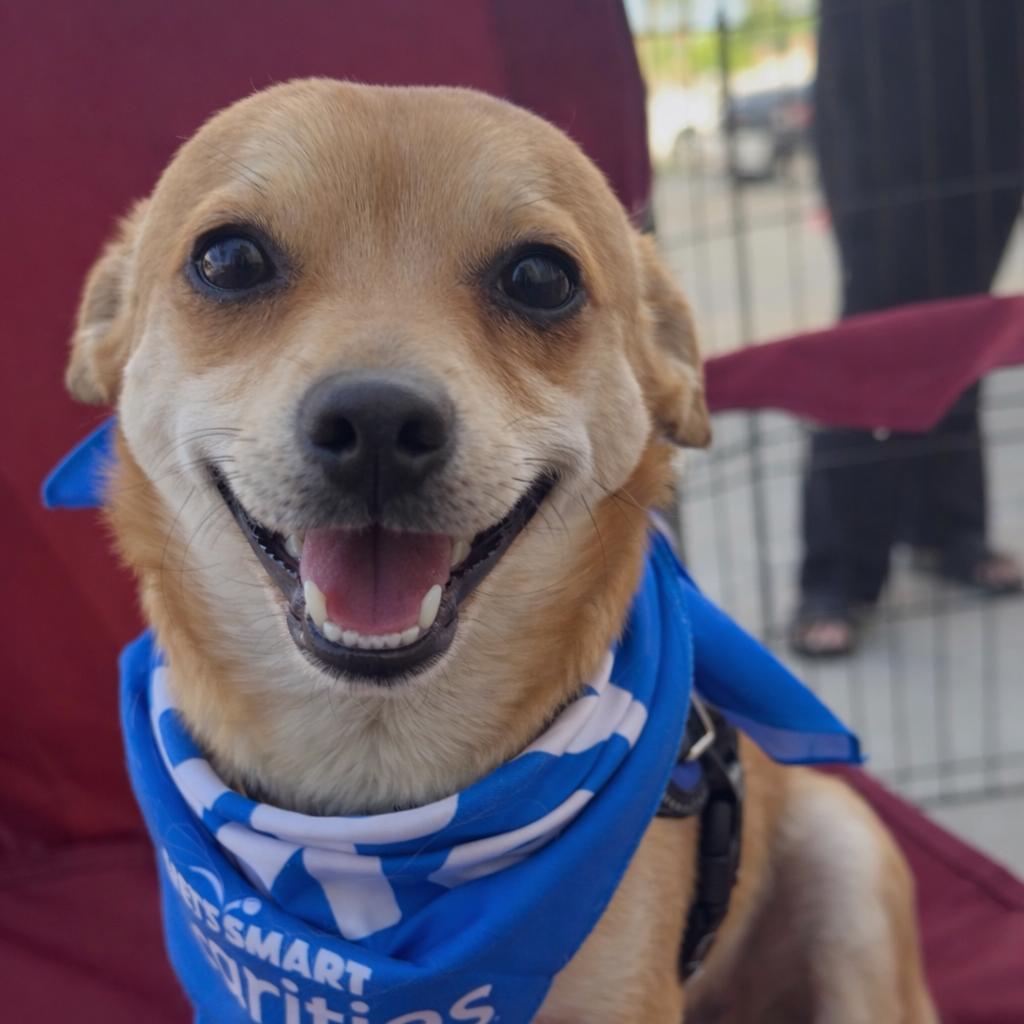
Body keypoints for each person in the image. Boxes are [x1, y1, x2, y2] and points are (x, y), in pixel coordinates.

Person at [791, 0, 1024, 657]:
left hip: (996, 52)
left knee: (965, 311)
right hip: (886, 49)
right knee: (881, 314)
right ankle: (838, 573)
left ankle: (947, 529)